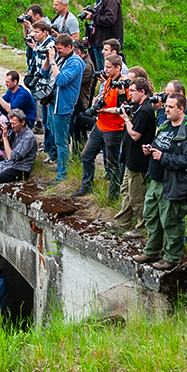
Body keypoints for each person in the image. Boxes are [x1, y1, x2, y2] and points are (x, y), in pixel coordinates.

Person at [136, 94, 187, 272]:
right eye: (166, 106)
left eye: (171, 107)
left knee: (171, 221)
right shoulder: (165, 125)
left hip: (173, 184)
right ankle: (152, 250)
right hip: (155, 181)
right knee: (151, 216)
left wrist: (164, 157)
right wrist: (150, 150)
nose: (166, 109)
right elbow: (160, 145)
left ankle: (172, 257)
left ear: (181, 109)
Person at [111, 76, 158, 236]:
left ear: (142, 92)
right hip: (130, 157)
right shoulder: (138, 106)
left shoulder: (146, 110)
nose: (129, 94)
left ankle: (142, 227)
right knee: (126, 190)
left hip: (139, 160)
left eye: (132, 91)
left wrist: (126, 120)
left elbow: (136, 135)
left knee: (137, 196)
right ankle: (122, 221)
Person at [77, 54, 127, 200]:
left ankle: (114, 195)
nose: (105, 70)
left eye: (108, 67)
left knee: (113, 164)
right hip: (100, 125)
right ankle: (86, 186)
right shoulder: (108, 81)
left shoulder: (123, 85)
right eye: (105, 66)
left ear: (118, 68)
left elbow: (123, 108)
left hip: (113, 128)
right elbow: (105, 99)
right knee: (86, 155)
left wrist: (104, 110)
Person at [45, 33, 84, 183]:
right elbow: (44, 73)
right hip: (54, 103)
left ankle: (63, 174)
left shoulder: (75, 63)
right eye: (56, 48)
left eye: (60, 49)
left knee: (61, 141)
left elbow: (61, 80)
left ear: (69, 47)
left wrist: (53, 61)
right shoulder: (63, 58)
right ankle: (62, 166)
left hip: (63, 106)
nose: (58, 51)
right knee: (56, 138)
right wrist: (49, 60)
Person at [83, 0, 123, 72]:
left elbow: (110, 19)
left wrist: (92, 16)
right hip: (98, 41)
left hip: (107, 43)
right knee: (99, 72)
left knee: (105, 72)